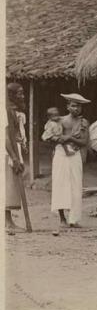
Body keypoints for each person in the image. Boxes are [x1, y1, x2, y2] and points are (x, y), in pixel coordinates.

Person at [50, 93, 90, 228]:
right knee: (60, 184)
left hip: (75, 154)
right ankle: (62, 218)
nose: (76, 108)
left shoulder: (83, 122)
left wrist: (70, 138)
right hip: (61, 154)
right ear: (68, 106)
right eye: (73, 105)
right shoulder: (59, 120)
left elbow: (84, 142)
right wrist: (59, 140)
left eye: (79, 106)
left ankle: (74, 219)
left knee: (76, 185)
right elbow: (50, 137)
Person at [5, 83, 27, 232]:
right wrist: (14, 157)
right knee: (8, 185)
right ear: (11, 95)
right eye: (20, 93)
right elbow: (5, 137)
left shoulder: (13, 111)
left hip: (13, 150)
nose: (23, 96)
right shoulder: (6, 110)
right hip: (7, 152)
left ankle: (8, 221)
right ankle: (8, 222)